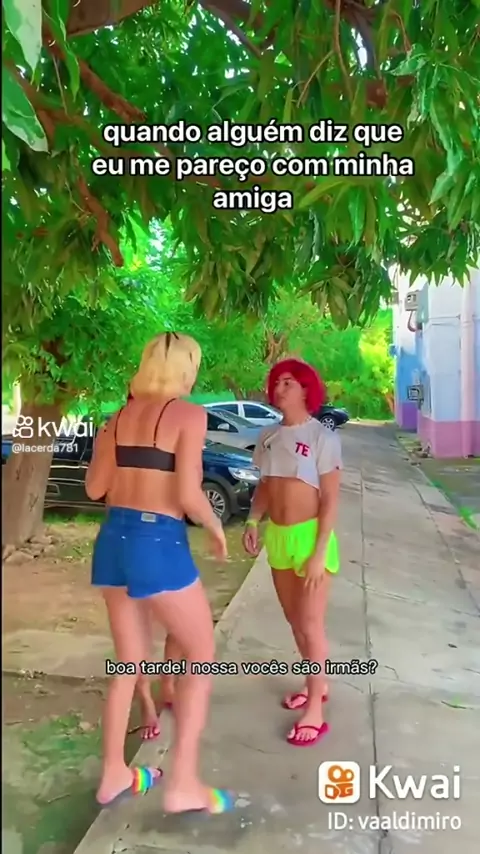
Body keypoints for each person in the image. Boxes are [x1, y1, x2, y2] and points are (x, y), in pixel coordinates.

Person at [86, 332, 234, 814]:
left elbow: (94, 489)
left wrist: (117, 453)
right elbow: (189, 495)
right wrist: (215, 526)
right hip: (157, 541)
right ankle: (183, 783)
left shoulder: (116, 419)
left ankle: (113, 773)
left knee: (127, 664)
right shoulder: (189, 415)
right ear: (185, 369)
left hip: (113, 541)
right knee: (201, 654)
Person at [242, 358, 342, 747]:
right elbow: (266, 487)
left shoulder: (322, 437)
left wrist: (319, 552)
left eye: (289, 382)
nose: (280, 388)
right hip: (279, 538)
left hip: (310, 537)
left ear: (305, 390)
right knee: (295, 621)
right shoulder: (268, 435)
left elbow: (330, 499)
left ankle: (315, 708)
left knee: (311, 623)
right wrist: (253, 521)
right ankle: (317, 684)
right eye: (277, 382)